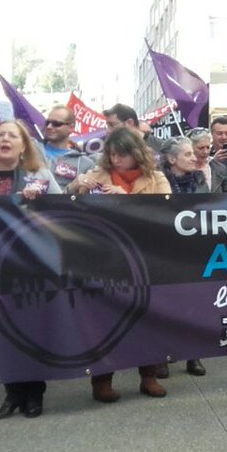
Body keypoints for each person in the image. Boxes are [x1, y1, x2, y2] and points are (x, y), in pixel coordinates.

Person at [0, 120, 62, 418]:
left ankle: (34, 394)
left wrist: (41, 203)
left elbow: (64, 213)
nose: (5, 139)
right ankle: (12, 394)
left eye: (12, 135)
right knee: (0, 330)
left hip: (28, 266)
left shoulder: (40, 176)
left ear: (23, 145)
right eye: (0, 135)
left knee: (29, 328)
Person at [68, 128, 172, 402]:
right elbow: (67, 203)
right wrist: (77, 186)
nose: (115, 160)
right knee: (105, 320)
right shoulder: (97, 174)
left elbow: (167, 211)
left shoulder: (156, 178)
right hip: (105, 259)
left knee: (148, 318)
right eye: (111, 154)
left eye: (121, 154)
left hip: (146, 258)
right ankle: (102, 380)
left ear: (135, 153)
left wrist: (125, 199)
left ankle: (148, 376)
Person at [159, 137, 209, 377]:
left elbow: (210, 209)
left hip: (194, 251)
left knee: (194, 304)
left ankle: (193, 355)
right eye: (187, 154)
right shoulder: (158, 182)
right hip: (163, 252)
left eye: (193, 154)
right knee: (165, 304)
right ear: (171, 159)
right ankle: (161, 355)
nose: (193, 158)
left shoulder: (200, 180)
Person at [42, 105, 94, 188]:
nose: (49, 127)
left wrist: (73, 186)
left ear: (71, 128)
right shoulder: (32, 152)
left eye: (56, 124)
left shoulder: (85, 163)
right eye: (47, 123)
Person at [187, 128, 227, 193]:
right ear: (190, 148)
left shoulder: (219, 169)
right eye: (201, 148)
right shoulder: (182, 170)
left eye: (208, 147)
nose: (205, 152)